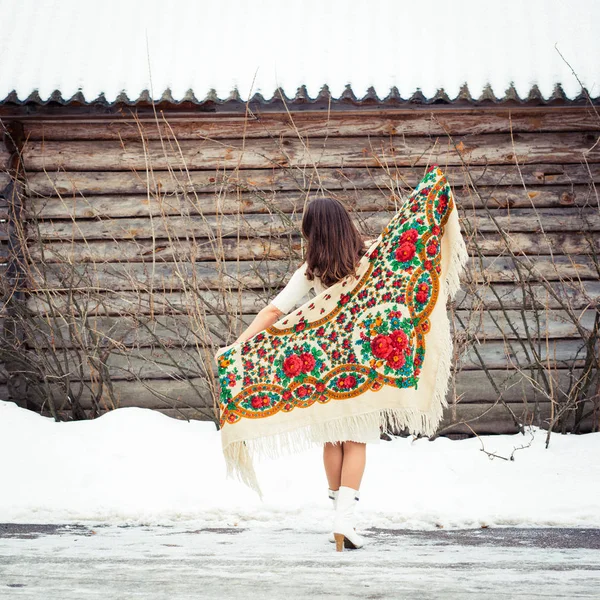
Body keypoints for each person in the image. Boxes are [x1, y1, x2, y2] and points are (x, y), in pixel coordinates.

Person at [222, 196, 377, 550]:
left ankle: (337, 520)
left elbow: (273, 312)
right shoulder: (370, 256)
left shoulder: (311, 270)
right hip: (361, 359)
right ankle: (345, 520)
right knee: (356, 440)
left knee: (332, 438)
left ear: (313, 231)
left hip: (326, 363)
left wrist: (239, 344)